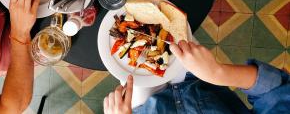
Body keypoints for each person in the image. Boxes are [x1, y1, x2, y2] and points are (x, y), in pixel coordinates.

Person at [104, 41, 290, 113]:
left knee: (125, 55)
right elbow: (277, 91)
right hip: (201, 82)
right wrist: (218, 72)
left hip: (145, 106)